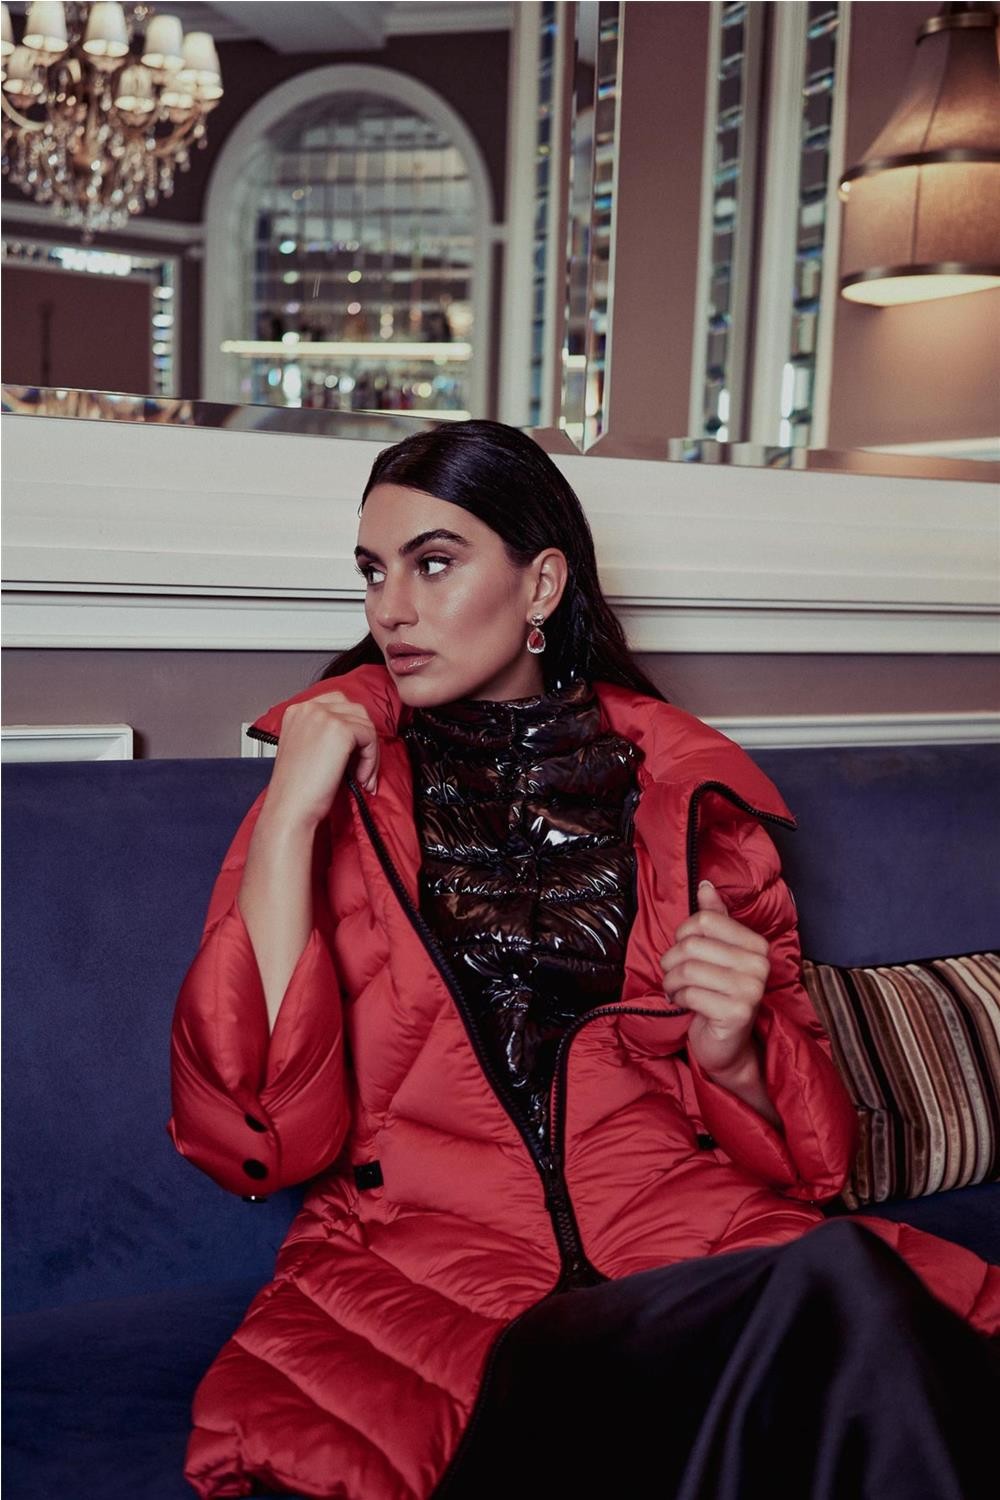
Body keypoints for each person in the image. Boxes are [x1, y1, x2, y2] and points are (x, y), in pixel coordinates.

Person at [168, 420, 999, 1500]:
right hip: (446, 1289)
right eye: (373, 571)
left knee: (851, 1300)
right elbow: (256, 1132)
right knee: (839, 1319)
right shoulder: (332, 804)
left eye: (433, 563)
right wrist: (289, 810)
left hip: (688, 1249)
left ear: (542, 583)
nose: (389, 610)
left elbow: (813, 1165)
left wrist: (733, 1049)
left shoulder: (692, 803)